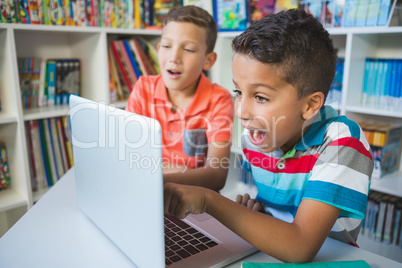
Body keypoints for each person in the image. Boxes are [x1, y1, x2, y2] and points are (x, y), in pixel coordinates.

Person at [163, 9, 373, 263]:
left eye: (260, 97)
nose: (241, 111)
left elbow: (300, 246)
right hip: (265, 253)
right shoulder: (256, 138)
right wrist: (256, 214)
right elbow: (278, 216)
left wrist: (211, 201)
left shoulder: (342, 141)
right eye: (238, 91)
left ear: (309, 105)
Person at [125, 6, 234, 191]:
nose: (174, 57)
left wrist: (155, 178)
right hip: (144, 195)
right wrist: (183, 171)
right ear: (159, 49)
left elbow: (216, 176)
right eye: (167, 46)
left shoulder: (219, 99)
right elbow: (129, 158)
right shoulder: (143, 88)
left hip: (195, 204)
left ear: (208, 60)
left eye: (189, 49)